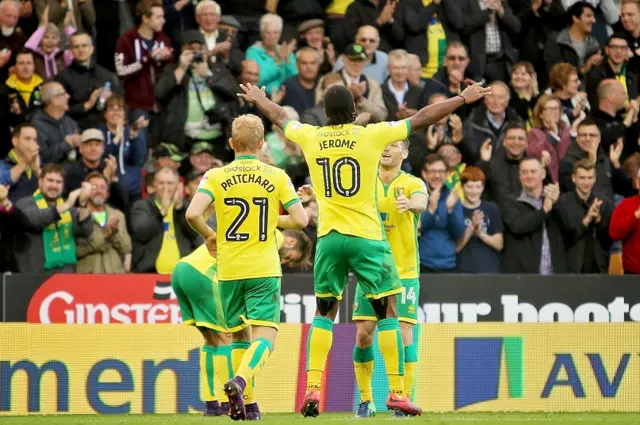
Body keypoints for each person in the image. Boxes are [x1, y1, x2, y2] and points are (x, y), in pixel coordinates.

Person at [238, 74, 489, 417]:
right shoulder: (372, 134)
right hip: (367, 238)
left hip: (329, 239)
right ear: (355, 111)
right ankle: (398, 392)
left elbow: (281, 117)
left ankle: (312, 387)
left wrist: (258, 99)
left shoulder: (312, 136)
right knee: (388, 311)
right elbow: (422, 118)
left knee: (324, 313)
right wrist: (461, 98)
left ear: (324, 112)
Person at [185, 114, 308, 420]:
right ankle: (240, 382)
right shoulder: (277, 176)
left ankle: (249, 407)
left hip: (228, 269)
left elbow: (192, 214)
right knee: (266, 336)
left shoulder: (214, 176)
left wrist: (210, 235)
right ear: (261, 143)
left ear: (231, 143)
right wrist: (267, 220)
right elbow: (301, 221)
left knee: (240, 337)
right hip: (263, 268)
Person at [350, 139, 428, 417]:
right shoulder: (365, 181)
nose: (386, 148)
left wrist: (411, 204)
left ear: (404, 153)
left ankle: (403, 399)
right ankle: (366, 401)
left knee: (404, 332)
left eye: (394, 145)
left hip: (403, 272)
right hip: (369, 270)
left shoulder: (411, 183)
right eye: (384, 144)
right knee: (362, 336)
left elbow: (422, 200)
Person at [456, 166, 503, 273]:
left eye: (478, 187)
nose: (474, 191)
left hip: (489, 270)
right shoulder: (456, 210)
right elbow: (455, 248)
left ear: (483, 188)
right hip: (462, 271)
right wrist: (471, 228)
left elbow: (499, 244)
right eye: (470, 187)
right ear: (462, 187)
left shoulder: (492, 208)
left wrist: (480, 234)